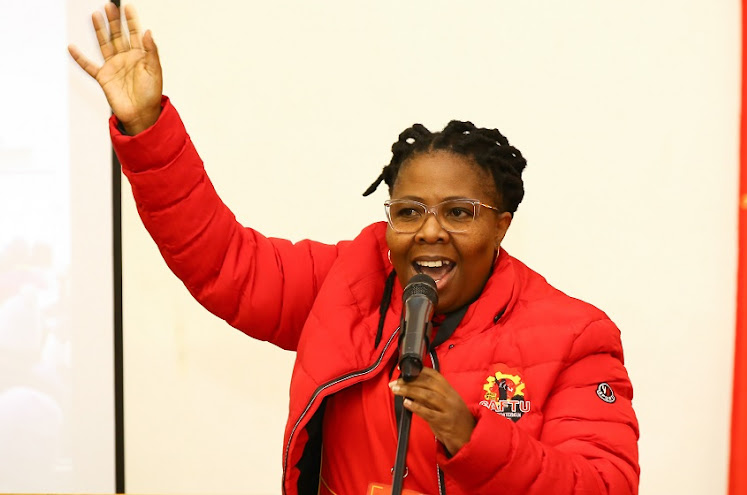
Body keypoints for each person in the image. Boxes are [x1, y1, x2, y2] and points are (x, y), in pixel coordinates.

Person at [69, 4, 640, 494]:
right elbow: (223, 261)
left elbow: (602, 484)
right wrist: (146, 127)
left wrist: (474, 436)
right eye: (409, 212)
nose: (430, 232)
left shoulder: (575, 336)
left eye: (459, 213)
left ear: (502, 226)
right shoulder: (347, 280)